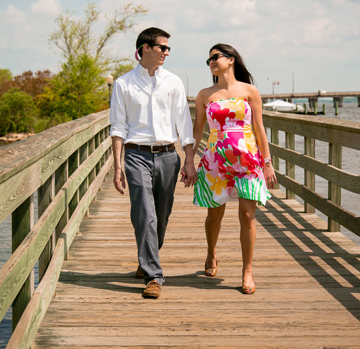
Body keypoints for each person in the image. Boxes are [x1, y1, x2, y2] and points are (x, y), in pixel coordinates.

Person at [110, 27, 197, 299]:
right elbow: (118, 127)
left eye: (168, 48)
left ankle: (145, 258)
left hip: (168, 156)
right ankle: (154, 276)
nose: (166, 53)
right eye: (162, 47)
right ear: (145, 48)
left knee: (161, 215)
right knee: (144, 215)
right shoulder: (123, 84)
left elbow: (184, 123)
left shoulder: (173, 82)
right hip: (135, 155)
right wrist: (117, 166)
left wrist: (189, 160)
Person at [190, 43, 277, 295]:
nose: (211, 63)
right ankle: (211, 253)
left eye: (216, 57)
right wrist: (188, 161)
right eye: (208, 60)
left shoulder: (250, 91)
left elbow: (260, 129)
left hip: (248, 160)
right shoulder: (205, 94)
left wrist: (268, 162)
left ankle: (247, 271)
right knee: (214, 216)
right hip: (216, 162)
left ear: (231, 59)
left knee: (248, 217)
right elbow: (197, 131)